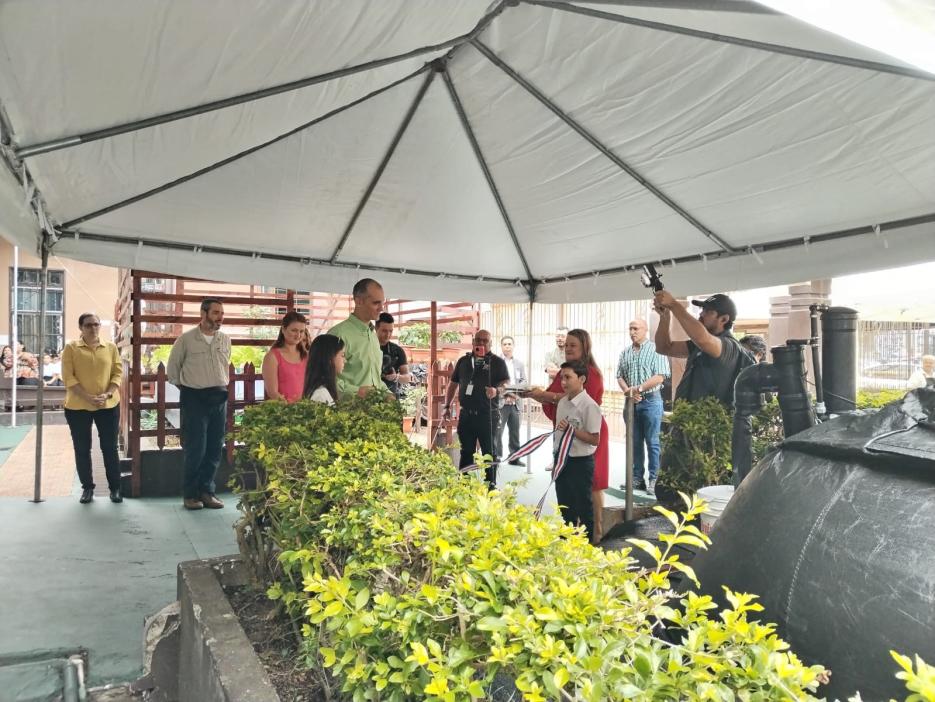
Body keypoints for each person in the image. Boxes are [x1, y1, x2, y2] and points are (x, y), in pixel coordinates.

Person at [529, 328, 609, 544]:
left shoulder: (592, 373)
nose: (568, 349)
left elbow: (577, 401)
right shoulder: (567, 371)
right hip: (565, 437)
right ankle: (573, 530)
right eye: (566, 345)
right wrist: (543, 396)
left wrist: (545, 395)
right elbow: (560, 398)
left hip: (588, 433)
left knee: (592, 485)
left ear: (585, 347)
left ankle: (596, 533)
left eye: (573, 345)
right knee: (568, 487)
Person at [167, 298, 231, 511]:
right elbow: (173, 371)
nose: (219, 317)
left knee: (215, 448)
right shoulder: (186, 340)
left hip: (219, 398)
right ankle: (191, 494)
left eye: (221, 313)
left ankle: (207, 492)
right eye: (215, 313)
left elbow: (225, 366)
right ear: (203, 314)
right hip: (194, 398)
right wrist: (191, 389)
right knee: (196, 449)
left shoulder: (225, 340)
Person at [62, 313, 124, 504]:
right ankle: (87, 488)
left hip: (108, 404)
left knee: (110, 448)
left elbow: (117, 372)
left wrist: (107, 394)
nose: (93, 328)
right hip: (78, 406)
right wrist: (87, 397)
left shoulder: (111, 347)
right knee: (82, 448)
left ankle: (115, 488)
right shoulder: (71, 348)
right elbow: (68, 377)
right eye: (88, 325)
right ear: (81, 328)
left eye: (96, 324)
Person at [654, 292, 747, 407]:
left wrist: (673, 304)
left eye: (708, 311)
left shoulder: (729, 346)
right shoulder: (698, 345)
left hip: (710, 423)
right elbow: (664, 348)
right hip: (690, 421)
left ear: (724, 319)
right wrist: (665, 316)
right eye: (703, 309)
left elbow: (703, 339)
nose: (701, 314)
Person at [443, 329, 510, 489]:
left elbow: (506, 385)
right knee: (466, 451)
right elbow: (453, 385)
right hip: (466, 415)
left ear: (490, 344)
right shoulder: (463, 361)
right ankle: (464, 485)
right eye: (478, 340)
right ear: (473, 342)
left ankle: (491, 486)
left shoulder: (498, 362)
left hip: (488, 416)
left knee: (489, 452)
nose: (480, 344)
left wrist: (496, 391)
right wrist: (447, 405)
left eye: (484, 341)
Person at [616, 319, 670, 492]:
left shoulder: (656, 349)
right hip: (631, 402)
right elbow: (619, 375)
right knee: (634, 442)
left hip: (651, 400)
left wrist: (638, 389)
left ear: (645, 330)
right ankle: (637, 479)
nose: (632, 332)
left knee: (653, 441)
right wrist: (628, 391)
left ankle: (655, 479)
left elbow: (660, 376)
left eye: (636, 328)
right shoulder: (625, 352)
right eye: (630, 328)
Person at [553, 361, 602, 543]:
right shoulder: (563, 402)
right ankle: (568, 540)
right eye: (561, 378)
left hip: (580, 462)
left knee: (583, 505)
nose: (563, 382)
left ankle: (588, 543)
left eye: (568, 377)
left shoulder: (589, 406)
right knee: (564, 504)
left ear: (581, 379)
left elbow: (594, 439)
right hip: (562, 460)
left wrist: (572, 432)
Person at [328, 278, 385, 400]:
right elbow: (324, 378)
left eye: (382, 303)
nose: (381, 308)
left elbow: (375, 379)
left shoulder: (373, 335)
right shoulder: (338, 334)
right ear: (358, 301)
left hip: (374, 413)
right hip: (346, 414)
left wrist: (386, 393)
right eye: (376, 303)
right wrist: (356, 391)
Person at [262, 311, 309, 403]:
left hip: (305, 410)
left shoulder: (307, 356)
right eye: (294, 330)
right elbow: (273, 392)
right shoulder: (272, 357)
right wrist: (291, 409)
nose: (298, 335)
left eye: (301, 331)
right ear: (283, 329)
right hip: (282, 413)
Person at [497, 335, 527, 465]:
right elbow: (495, 382)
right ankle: (496, 456)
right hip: (501, 403)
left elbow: (524, 381)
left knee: (515, 432)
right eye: (505, 344)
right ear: (501, 346)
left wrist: (512, 392)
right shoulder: (496, 362)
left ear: (513, 346)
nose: (507, 346)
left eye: (510, 344)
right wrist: (505, 394)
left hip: (515, 403)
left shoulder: (519, 363)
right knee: (498, 431)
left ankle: (514, 457)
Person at [375, 312, 411, 399]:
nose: (388, 334)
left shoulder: (398, 350)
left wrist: (396, 377)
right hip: (370, 397)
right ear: (376, 328)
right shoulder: (367, 347)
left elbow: (407, 378)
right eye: (384, 331)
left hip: (391, 398)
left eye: (390, 331)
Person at [303, 334, 346, 406]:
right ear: (330, 357)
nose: (345, 360)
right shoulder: (320, 395)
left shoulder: (323, 391)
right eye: (342, 355)